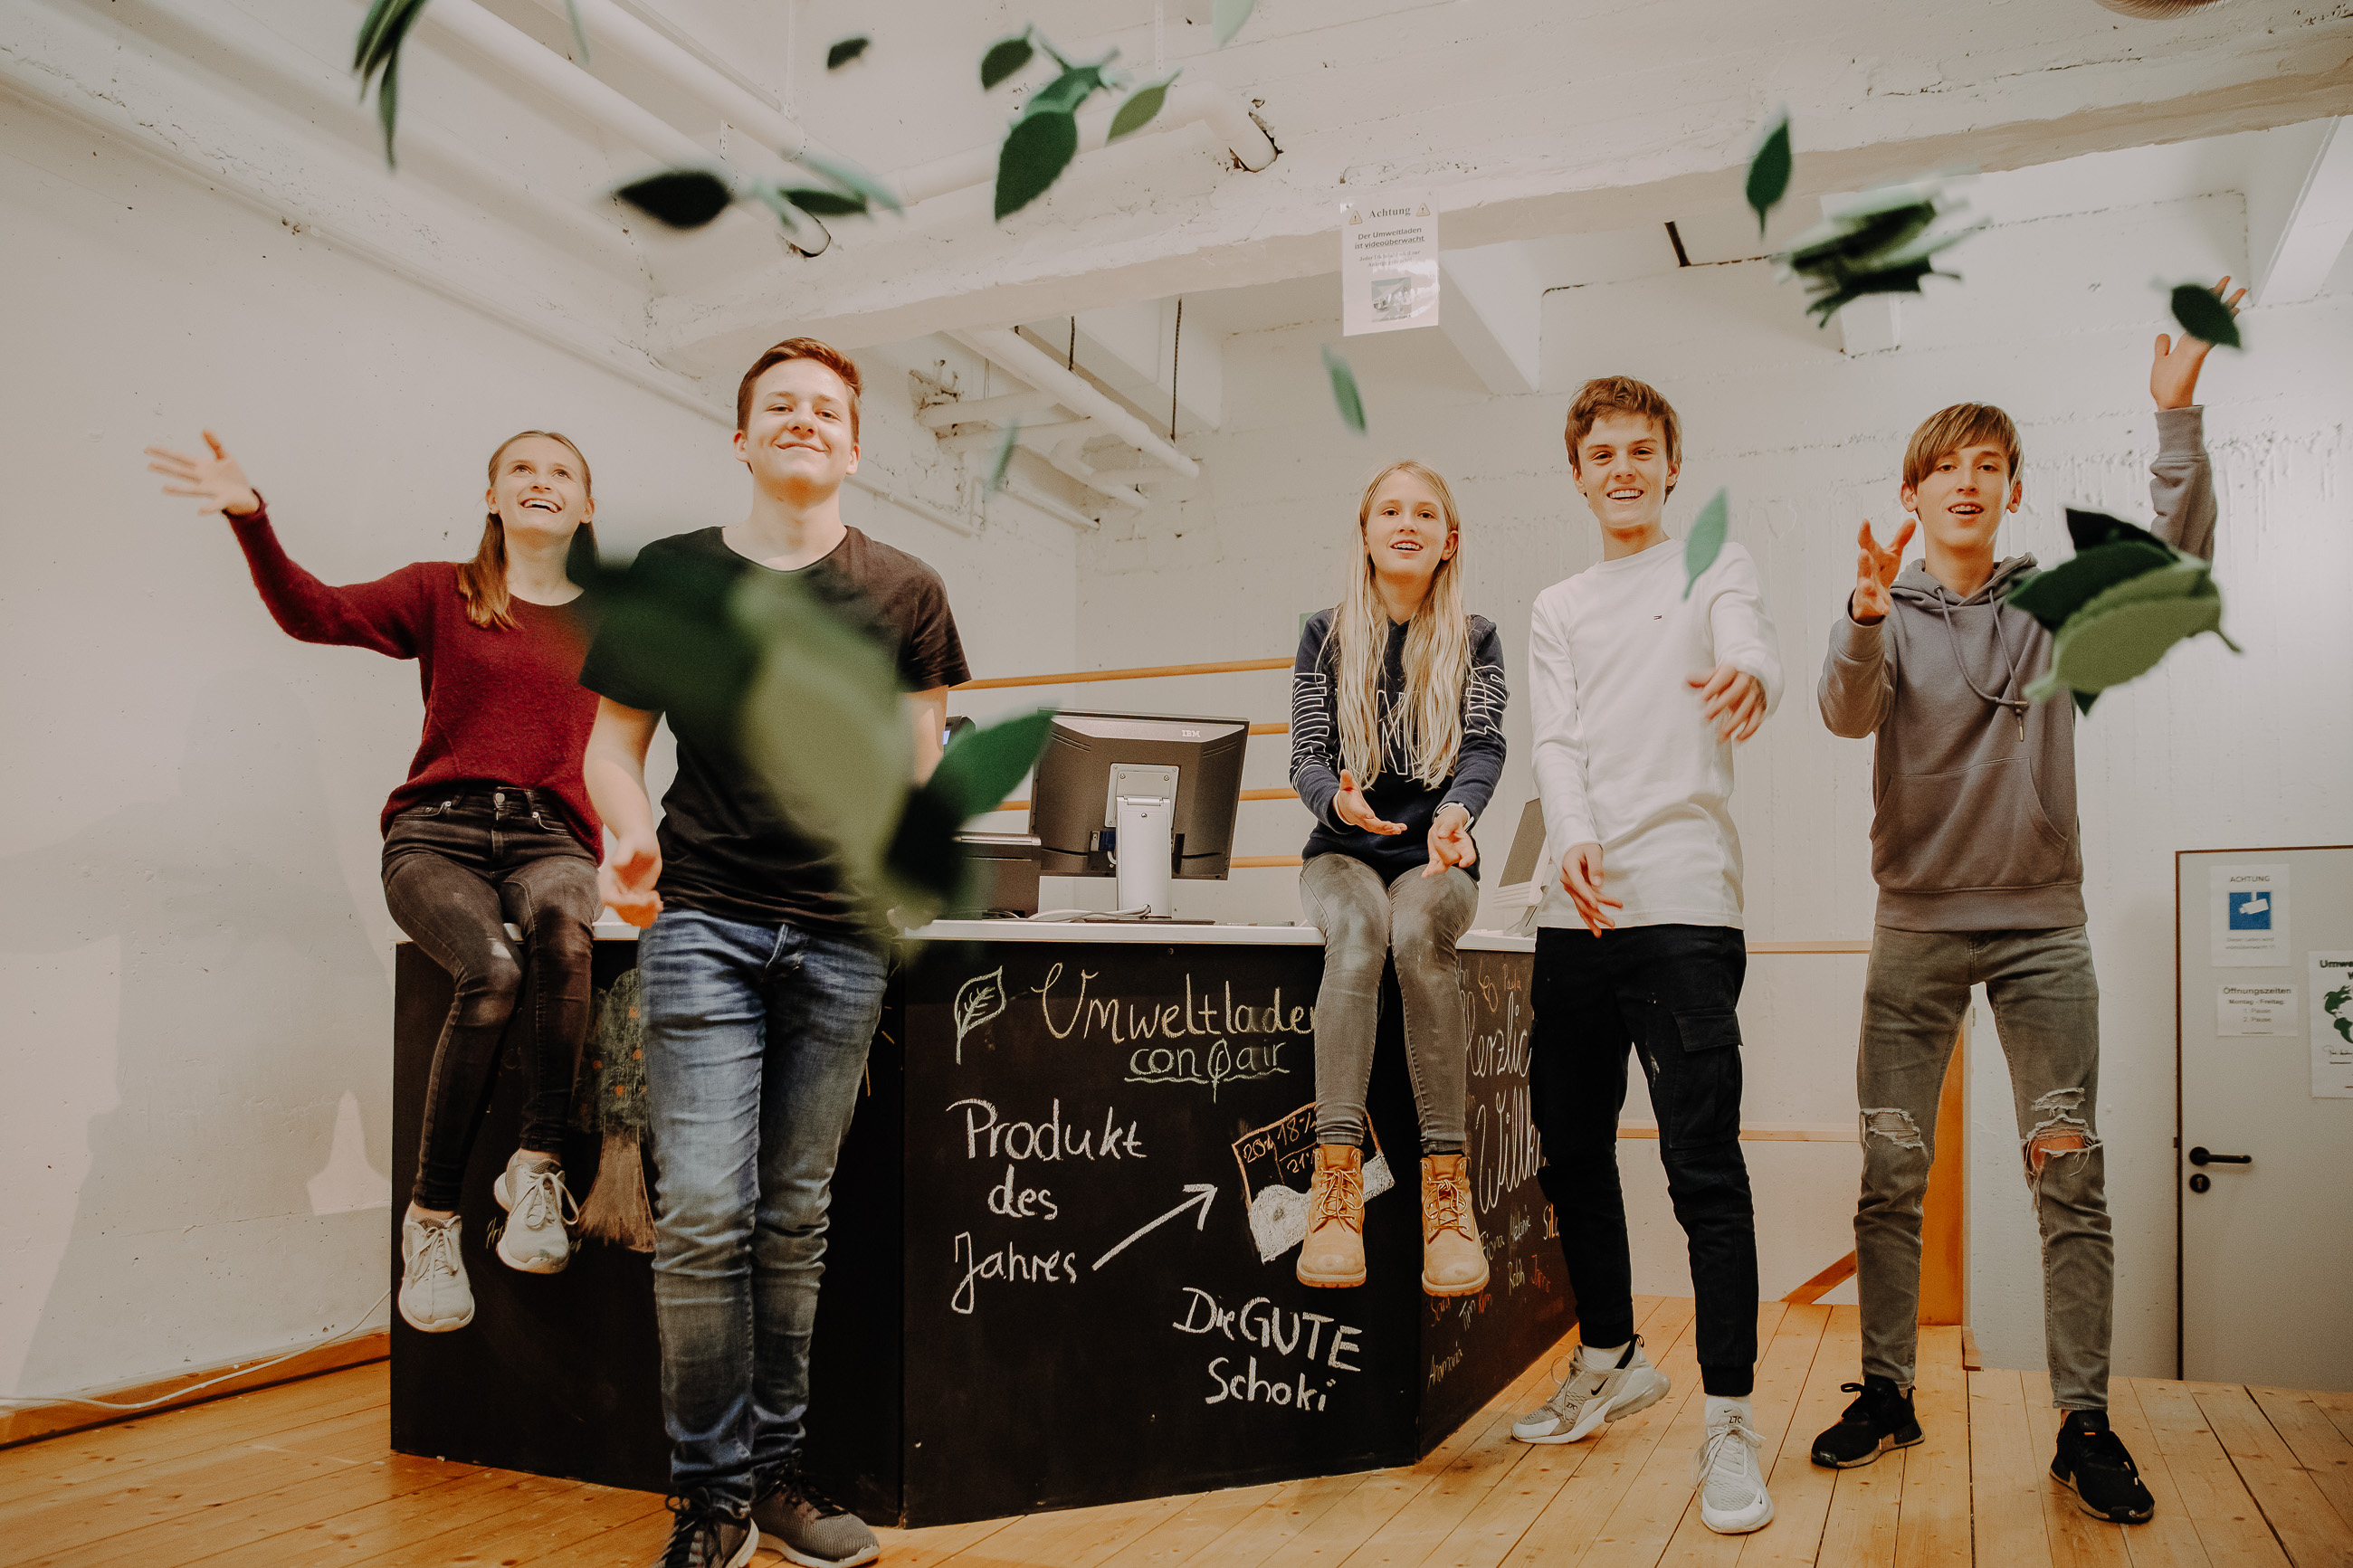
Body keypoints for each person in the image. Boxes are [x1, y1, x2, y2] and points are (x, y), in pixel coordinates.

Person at [1809, 284, 2239, 1524]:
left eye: (1988, 465)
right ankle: (1886, 1391)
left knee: (2068, 1178)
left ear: (2008, 490)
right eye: (1946, 466)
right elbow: (1844, 713)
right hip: (1913, 930)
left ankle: (2081, 1423)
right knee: (1890, 1174)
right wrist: (1861, 618)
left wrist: (2175, 416)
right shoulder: (1883, 608)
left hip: (2043, 929)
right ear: (1912, 492)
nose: (1967, 481)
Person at [580, 337, 967, 1568]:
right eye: (780, 406)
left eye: (826, 409)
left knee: (794, 1216)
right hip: (703, 917)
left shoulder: (907, 589)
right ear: (742, 438)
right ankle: (709, 1497)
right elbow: (612, 747)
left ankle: (775, 1475)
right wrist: (627, 834)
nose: (805, 419)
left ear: (854, 446)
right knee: (706, 1211)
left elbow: (919, 757)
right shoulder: (675, 577)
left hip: (844, 931)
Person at [147, 429, 605, 1334]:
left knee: (564, 931)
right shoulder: (442, 590)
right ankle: (431, 1218)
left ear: (587, 506)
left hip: (551, 835)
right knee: (493, 971)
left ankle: (537, 1164)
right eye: (520, 468)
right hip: (437, 833)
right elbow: (312, 611)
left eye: (561, 472)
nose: (540, 481)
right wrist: (250, 516)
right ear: (492, 496)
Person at [1510, 377, 1782, 1537]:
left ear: (1671, 466)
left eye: (1640, 450)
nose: (1621, 468)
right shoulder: (1556, 604)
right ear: (1576, 475)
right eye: (1601, 453)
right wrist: (1571, 837)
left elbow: (1750, 648)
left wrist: (1754, 677)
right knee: (1569, 1150)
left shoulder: (1713, 566)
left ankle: (1728, 1421)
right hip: (1573, 911)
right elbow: (1556, 741)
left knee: (1700, 1168)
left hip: (1681, 908)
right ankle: (1611, 1356)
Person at [1288, 461, 1508, 1297]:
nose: (1406, 523)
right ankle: (1335, 1188)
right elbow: (1308, 755)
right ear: (1367, 532)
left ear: (1449, 541)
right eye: (1389, 510)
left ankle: (1445, 1194)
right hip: (1342, 851)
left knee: (1415, 931)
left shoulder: (1476, 637)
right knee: (1358, 930)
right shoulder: (1324, 634)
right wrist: (1337, 801)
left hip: (1435, 855)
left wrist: (1456, 814)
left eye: (1424, 513)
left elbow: (1484, 746)